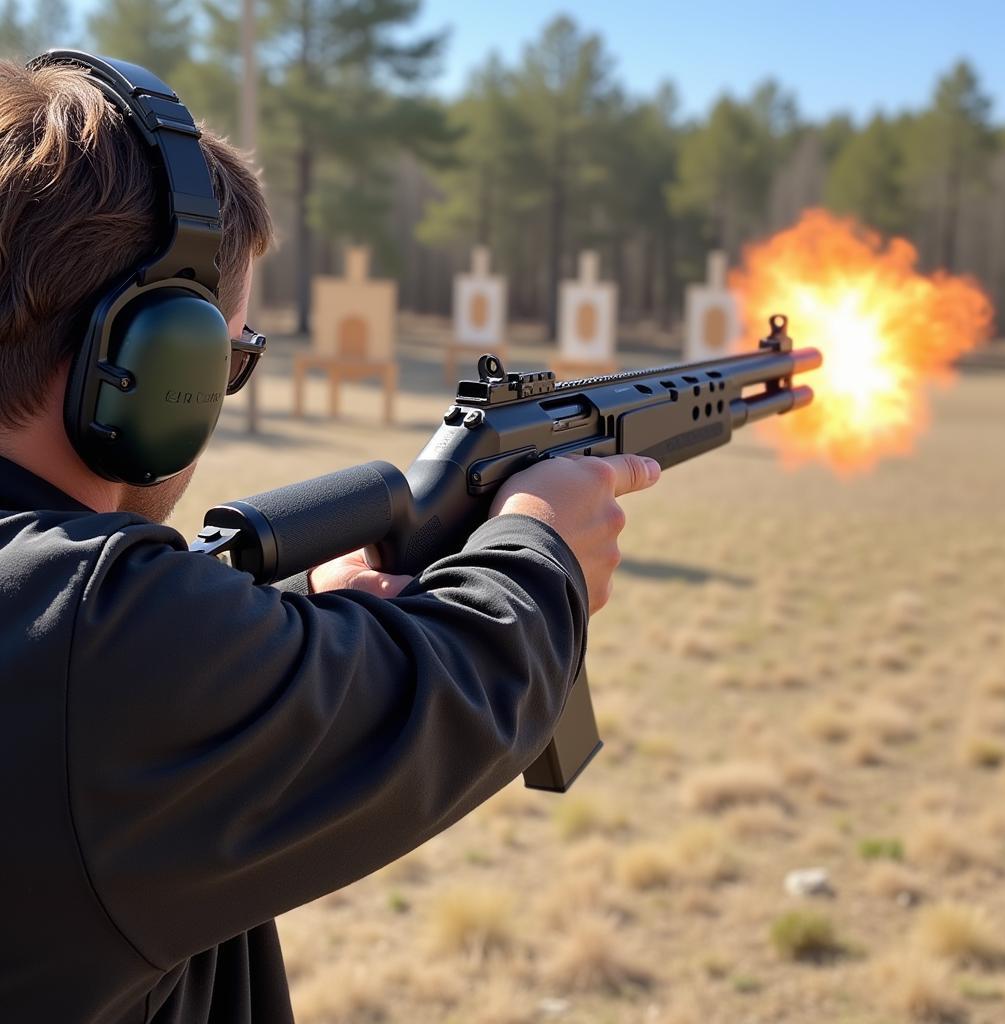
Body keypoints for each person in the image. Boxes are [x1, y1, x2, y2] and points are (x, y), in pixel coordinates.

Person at [0, 51, 661, 1024]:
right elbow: (450, 692)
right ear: (148, 360)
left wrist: (309, 617)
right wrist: (541, 545)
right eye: (230, 357)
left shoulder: (72, 628)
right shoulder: (93, 635)